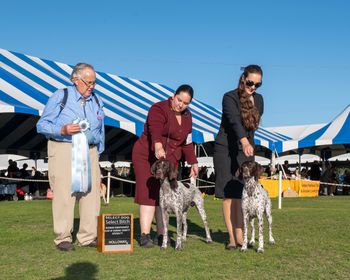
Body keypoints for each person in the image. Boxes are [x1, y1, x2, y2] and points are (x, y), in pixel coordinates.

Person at [37, 63, 105, 251]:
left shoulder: (97, 100)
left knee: (91, 195)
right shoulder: (61, 96)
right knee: (65, 194)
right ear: (75, 80)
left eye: (94, 82)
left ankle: (88, 236)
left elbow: (101, 128)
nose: (91, 86)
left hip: (90, 151)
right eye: (88, 82)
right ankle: (63, 238)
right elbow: (42, 125)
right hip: (64, 148)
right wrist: (62, 129)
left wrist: (99, 150)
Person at [132, 84, 198, 248]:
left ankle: (162, 235)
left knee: (166, 196)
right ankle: (145, 235)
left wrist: (193, 161)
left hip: (170, 160)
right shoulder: (158, 108)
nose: (181, 105)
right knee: (149, 194)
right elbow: (155, 130)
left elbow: (187, 143)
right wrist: (158, 145)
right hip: (147, 155)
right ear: (173, 96)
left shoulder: (188, 116)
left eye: (185, 103)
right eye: (179, 100)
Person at [213, 65, 264, 250]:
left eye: (258, 84)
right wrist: (243, 141)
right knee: (229, 195)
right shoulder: (229, 97)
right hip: (225, 149)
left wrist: (247, 145)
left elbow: (253, 125)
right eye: (250, 82)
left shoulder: (259, 99)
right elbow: (234, 121)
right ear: (243, 78)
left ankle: (241, 236)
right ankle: (233, 239)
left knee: (241, 194)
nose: (253, 87)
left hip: (246, 150)